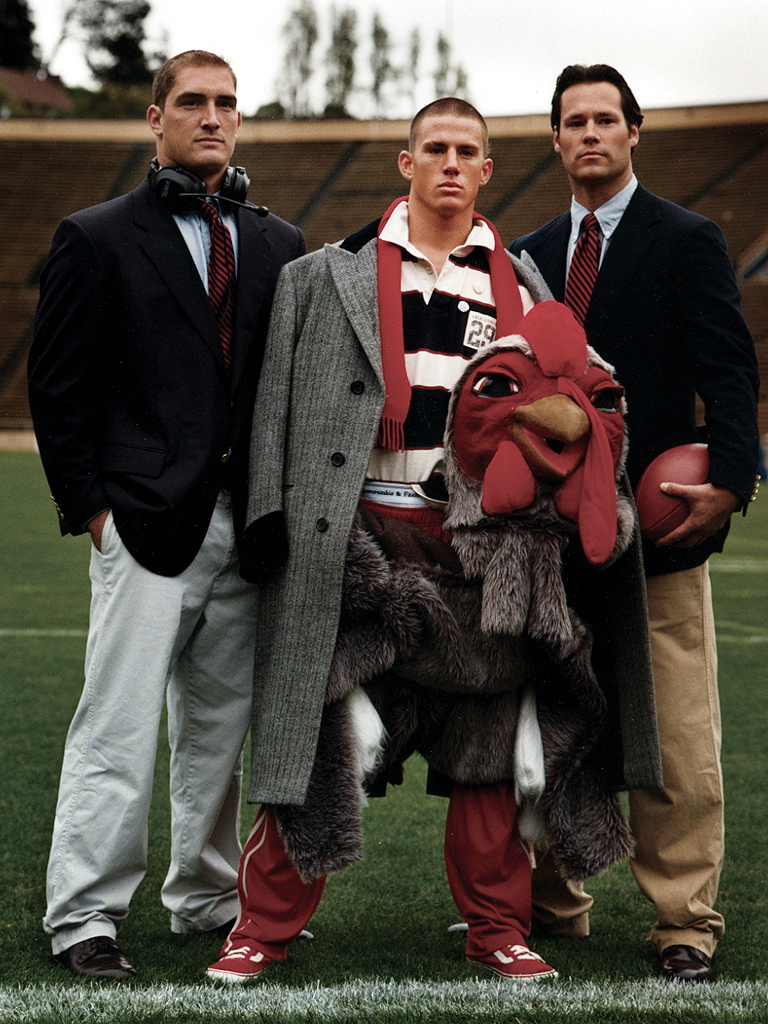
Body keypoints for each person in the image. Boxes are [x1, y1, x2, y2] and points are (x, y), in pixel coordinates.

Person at [204, 97, 659, 986]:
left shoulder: (524, 286)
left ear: (487, 171)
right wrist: (268, 516)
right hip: (355, 536)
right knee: (314, 736)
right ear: (403, 162)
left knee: (488, 740)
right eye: (435, 149)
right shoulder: (322, 275)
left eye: (468, 152)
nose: (451, 163)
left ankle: (496, 926)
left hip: (475, 547)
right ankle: (263, 925)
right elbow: (272, 408)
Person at [27, 50, 306, 980]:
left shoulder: (278, 243)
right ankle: (85, 917)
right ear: (156, 119)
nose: (213, 116)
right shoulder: (96, 235)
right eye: (193, 101)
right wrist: (91, 510)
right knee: (116, 726)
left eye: (228, 102)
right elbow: (57, 388)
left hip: (247, 529)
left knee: (220, 735)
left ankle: (209, 897)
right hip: (143, 526)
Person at [509, 64, 760, 983]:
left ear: (634, 133)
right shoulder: (532, 253)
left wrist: (733, 479)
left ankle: (683, 916)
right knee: (550, 720)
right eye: (574, 121)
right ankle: (552, 901)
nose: (590, 134)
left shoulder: (687, 239)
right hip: (555, 534)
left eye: (606, 119)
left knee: (679, 730)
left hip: (658, 527)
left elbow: (728, 370)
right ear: (557, 138)